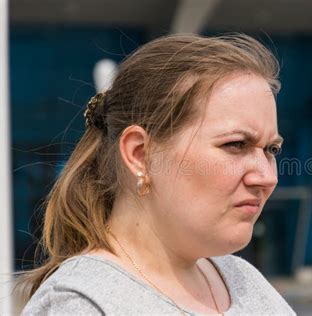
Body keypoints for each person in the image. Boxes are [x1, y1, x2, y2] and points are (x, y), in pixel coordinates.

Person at [21, 33, 295, 315]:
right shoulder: (81, 305)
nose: (267, 176)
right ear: (140, 154)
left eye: (271, 149)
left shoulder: (241, 279)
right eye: (235, 145)